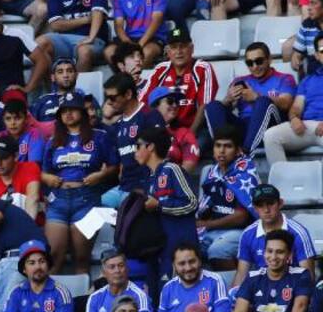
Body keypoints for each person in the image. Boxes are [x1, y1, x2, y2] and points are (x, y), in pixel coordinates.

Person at [41, 94, 116, 274]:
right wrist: (48, 178)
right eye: (64, 111)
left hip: (87, 199)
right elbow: (43, 172)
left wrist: (101, 175)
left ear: (82, 112)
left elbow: (114, 166)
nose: (68, 114)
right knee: (53, 257)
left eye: (72, 110)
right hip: (58, 200)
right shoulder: (53, 140)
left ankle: (82, 292)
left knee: (81, 258)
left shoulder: (100, 137)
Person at [205, 42, 295, 154]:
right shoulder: (240, 81)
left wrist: (256, 97)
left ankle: (245, 153)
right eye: (250, 63)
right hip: (244, 127)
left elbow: (286, 104)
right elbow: (226, 109)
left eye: (259, 61)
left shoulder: (284, 78)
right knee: (213, 106)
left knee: (262, 102)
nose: (255, 66)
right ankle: (222, 151)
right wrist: (228, 99)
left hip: (270, 128)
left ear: (269, 59)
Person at [135, 126, 198, 282]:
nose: (134, 152)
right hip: (160, 250)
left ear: (150, 147)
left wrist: (160, 206)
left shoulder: (172, 169)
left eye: (138, 146)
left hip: (181, 252)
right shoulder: (149, 178)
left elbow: (191, 203)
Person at [197, 125, 260, 270]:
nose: (222, 151)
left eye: (228, 146)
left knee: (218, 250)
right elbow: (206, 207)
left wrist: (207, 224)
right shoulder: (213, 173)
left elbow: (242, 217)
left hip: (242, 231)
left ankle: (233, 283)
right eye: (218, 145)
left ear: (238, 150)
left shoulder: (245, 172)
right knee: (184, 245)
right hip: (213, 230)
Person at [101, 73, 165, 209]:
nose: (109, 102)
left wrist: (151, 189)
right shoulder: (118, 125)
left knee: (125, 210)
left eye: (112, 97)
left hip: (144, 188)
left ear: (128, 94)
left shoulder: (150, 116)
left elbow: (161, 157)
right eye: (107, 98)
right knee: (96, 208)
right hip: (123, 187)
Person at [234, 184, 316, 286]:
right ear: (255, 208)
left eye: (270, 203)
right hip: (259, 291)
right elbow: (241, 275)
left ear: (280, 203)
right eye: (260, 205)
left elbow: (308, 279)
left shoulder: (298, 233)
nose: (266, 210)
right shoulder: (247, 234)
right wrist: (234, 294)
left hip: (292, 289)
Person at [263, 32, 323, 164]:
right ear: (317, 56)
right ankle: (282, 176)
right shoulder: (308, 80)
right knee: (271, 136)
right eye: (322, 50)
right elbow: (296, 106)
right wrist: (294, 118)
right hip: (307, 126)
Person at [0, 135, 41, 218]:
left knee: (18, 199)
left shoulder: (29, 168)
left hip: (32, 221)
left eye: (4, 158)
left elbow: (33, 197)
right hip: (4, 225)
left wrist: (27, 224)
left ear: (16, 156)